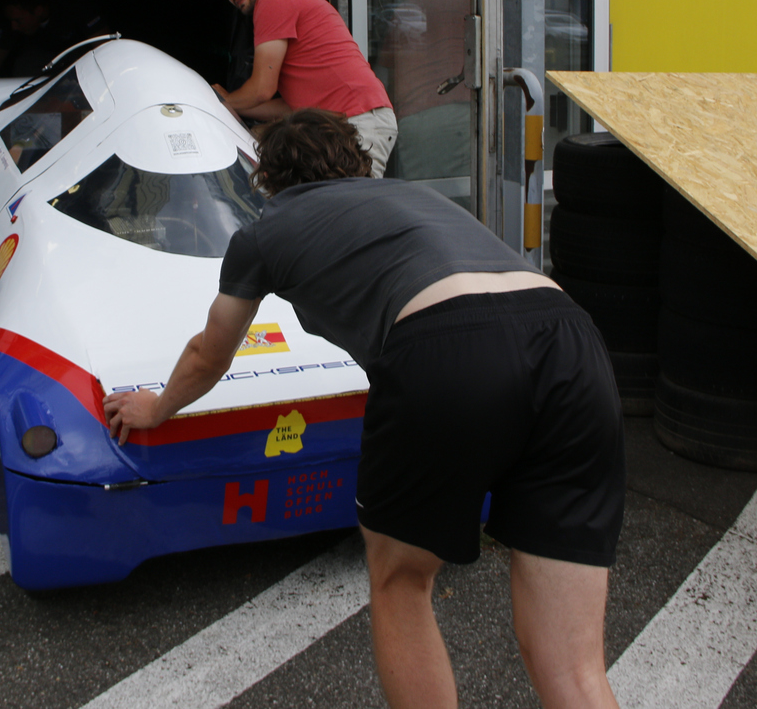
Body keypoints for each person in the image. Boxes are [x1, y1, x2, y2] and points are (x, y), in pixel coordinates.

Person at [104, 109, 624, 709]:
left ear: (268, 179)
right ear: (358, 164)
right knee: (574, 668)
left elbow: (208, 353)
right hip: (572, 341)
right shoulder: (410, 197)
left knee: (401, 580)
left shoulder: (265, 230)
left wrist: (159, 407)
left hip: (447, 341)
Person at [206, 0, 398, 176]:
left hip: (354, 121)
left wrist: (216, 103)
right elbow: (291, 107)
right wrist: (237, 109)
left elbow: (261, 90)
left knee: (347, 209)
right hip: (349, 121)